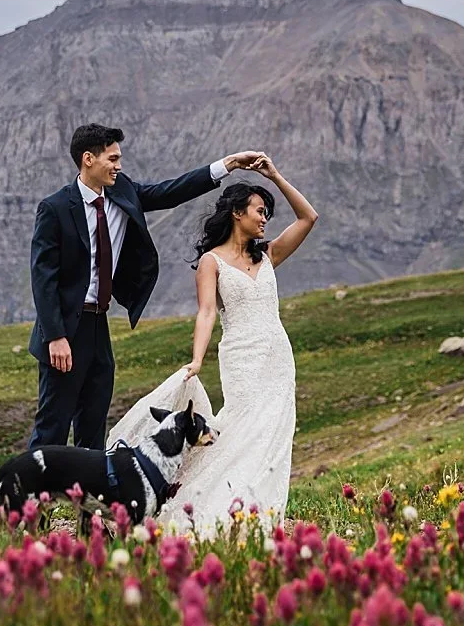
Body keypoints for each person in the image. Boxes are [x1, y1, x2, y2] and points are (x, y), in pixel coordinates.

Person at [26, 122, 262, 451]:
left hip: (98, 325)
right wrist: (55, 336)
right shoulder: (54, 208)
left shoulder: (122, 191)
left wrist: (228, 164)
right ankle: (29, 487)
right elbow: (43, 277)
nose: (118, 166)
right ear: (88, 159)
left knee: (93, 423)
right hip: (65, 330)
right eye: (112, 159)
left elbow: (170, 192)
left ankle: (88, 486)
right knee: (53, 424)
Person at [116, 153, 317, 536]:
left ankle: (260, 511)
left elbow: (309, 218)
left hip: (277, 356)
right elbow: (207, 313)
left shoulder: (268, 255)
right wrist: (196, 360)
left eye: (266, 213)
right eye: (259, 211)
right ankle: (204, 505)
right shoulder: (212, 262)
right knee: (241, 428)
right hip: (241, 356)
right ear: (237, 213)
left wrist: (275, 175)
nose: (264, 219)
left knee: (273, 434)